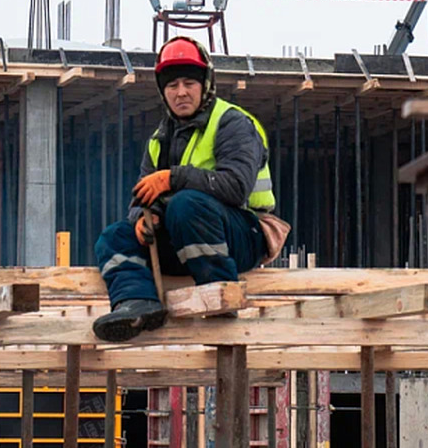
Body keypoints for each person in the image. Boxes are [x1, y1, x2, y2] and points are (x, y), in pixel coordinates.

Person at [92, 36, 284, 342]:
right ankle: (137, 303)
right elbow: (140, 199)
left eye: (188, 83)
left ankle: (220, 291)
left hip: (243, 236)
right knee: (114, 235)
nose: (180, 92)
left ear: (205, 83)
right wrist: (144, 219)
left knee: (186, 204)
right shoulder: (159, 139)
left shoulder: (232, 124)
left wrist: (174, 178)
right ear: (163, 91)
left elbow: (235, 188)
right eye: (172, 86)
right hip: (187, 238)